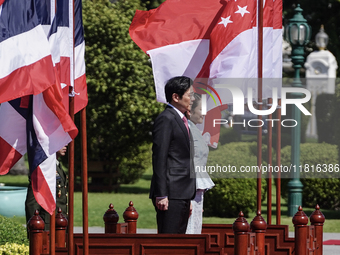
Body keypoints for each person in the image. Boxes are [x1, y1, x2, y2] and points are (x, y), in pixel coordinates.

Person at [149, 76, 196, 234]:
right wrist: (161, 193)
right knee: (168, 242)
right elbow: (159, 157)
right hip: (170, 193)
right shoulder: (166, 119)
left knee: (179, 243)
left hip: (181, 193)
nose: (193, 99)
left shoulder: (182, 119)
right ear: (176, 97)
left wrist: (187, 197)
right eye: (190, 95)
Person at [185, 93, 215, 234]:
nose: (205, 113)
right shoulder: (186, 129)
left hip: (197, 189)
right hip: (189, 189)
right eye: (201, 109)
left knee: (195, 229)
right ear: (190, 110)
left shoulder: (195, 129)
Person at [25, 146, 68, 233]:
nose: (65, 145)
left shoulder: (57, 165)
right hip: (47, 228)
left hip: (59, 225)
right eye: (62, 142)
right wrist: (35, 231)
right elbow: (32, 203)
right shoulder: (43, 168)